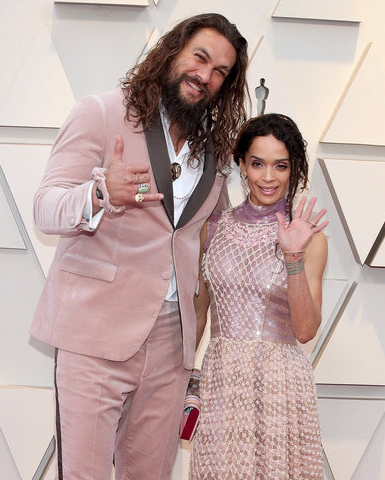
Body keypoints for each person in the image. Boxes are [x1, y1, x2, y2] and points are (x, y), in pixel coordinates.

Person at [29, 13, 248, 480]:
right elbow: (46, 206)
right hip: (95, 331)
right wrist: (99, 193)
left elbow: (212, 236)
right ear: (172, 51)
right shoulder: (102, 111)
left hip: (172, 344)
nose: (205, 76)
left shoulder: (213, 150)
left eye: (221, 72)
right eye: (200, 58)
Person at [189, 113, 328, 480]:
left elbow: (305, 330)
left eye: (281, 166)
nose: (268, 177)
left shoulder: (310, 237)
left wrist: (293, 258)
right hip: (222, 379)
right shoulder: (213, 227)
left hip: (279, 383)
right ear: (241, 165)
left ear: (294, 168)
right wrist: (183, 378)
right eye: (257, 164)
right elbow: (199, 313)